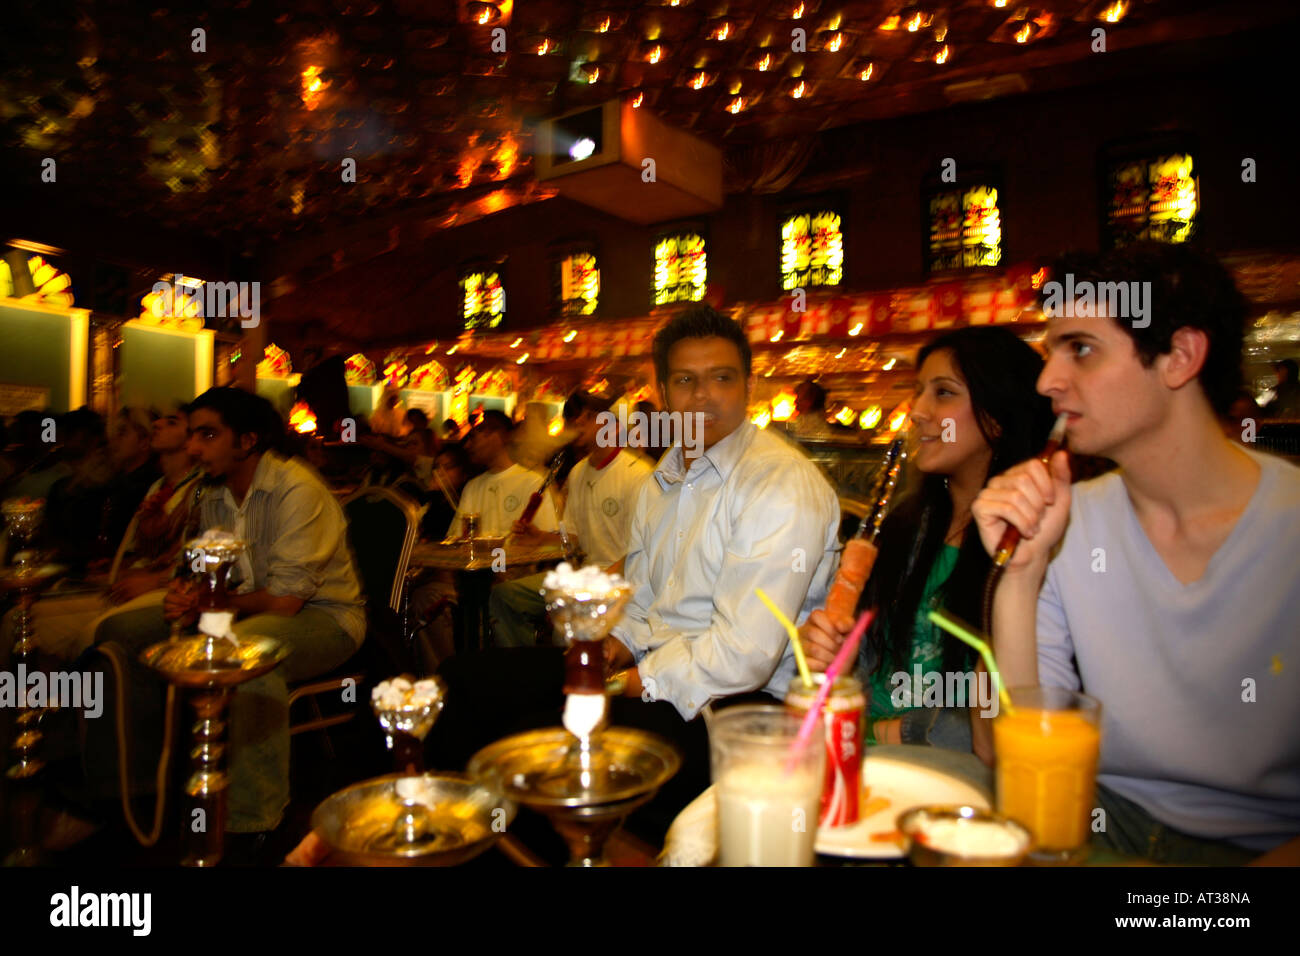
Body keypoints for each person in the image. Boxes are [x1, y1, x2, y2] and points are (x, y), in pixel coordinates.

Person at [968, 241, 1300, 864]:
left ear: (1179, 357)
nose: (1046, 381)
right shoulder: (1071, 519)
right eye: (1049, 352)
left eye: (1081, 350)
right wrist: (1020, 577)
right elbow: (1001, 749)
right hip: (1098, 825)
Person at [88, 386, 366, 833]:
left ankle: (250, 823)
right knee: (121, 630)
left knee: (247, 651)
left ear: (247, 440)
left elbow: (286, 600)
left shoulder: (297, 490)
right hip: (242, 608)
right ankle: (132, 790)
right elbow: (203, 567)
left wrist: (209, 604)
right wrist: (186, 592)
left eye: (207, 435)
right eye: (193, 435)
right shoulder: (212, 493)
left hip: (324, 618)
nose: (193, 447)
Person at [799, 327, 1055, 751]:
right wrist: (831, 657)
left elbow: (1021, 720)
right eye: (919, 392)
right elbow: (866, 669)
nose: (917, 411)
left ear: (996, 415)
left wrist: (895, 731)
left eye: (943, 393)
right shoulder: (904, 527)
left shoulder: (1035, 546)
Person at [0, 405, 202, 666]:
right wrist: (118, 566)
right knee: (18, 617)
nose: (158, 425)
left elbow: (187, 554)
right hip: (132, 579)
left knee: (89, 634)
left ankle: (58, 699)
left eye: (171, 422)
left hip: (162, 586)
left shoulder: (199, 488)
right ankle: (26, 701)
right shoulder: (157, 485)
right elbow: (139, 550)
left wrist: (151, 578)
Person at [487, 390, 653, 648]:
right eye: (577, 416)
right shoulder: (577, 473)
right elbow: (573, 538)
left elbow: (645, 550)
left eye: (589, 416)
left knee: (567, 624)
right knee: (505, 596)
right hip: (582, 576)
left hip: (621, 583)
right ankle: (523, 674)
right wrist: (540, 537)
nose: (578, 422)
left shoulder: (638, 475)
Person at [446, 410, 558, 538]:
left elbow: (549, 539)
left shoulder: (532, 483)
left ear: (495, 436)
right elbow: (456, 537)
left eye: (473, 437)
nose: (467, 446)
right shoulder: (472, 487)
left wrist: (533, 537)